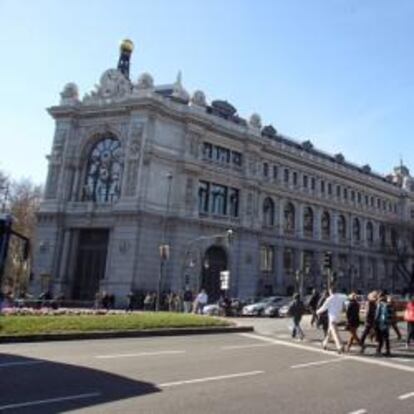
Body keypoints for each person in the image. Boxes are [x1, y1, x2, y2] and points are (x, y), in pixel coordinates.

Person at [317, 286, 346, 354]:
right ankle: (324, 344)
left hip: (332, 318)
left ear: (330, 291)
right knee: (329, 333)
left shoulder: (329, 299)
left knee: (335, 334)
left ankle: (340, 346)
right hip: (338, 317)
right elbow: (346, 297)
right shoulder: (341, 297)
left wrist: (317, 312)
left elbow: (324, 308)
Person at [375, 292, 392, 356]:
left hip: (380, 323)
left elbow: (377, 315)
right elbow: (391, 315)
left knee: (380, 338)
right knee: (386, 338)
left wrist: (375, 322)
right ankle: (388, 351)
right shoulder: (388, 305)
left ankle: (378, 351)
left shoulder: (380, 304)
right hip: (386, 324)